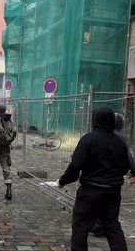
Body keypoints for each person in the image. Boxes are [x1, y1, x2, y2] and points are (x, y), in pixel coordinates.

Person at [58, 107, 133, 251]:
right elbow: (125, 167)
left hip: (90, 191)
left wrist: (63, 181)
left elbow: (76, 164)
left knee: (81, 226)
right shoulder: (119, 142)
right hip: (113, 192)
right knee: (112, 226)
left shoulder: (88, 139)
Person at [89, 112, 135, 238]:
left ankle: (97, 226)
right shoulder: (119, 136)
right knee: (108, 207)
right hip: (112, 177)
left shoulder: (101, 134)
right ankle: (100, 227)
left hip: (97, 175)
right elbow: (128, 157)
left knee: (98, 203)